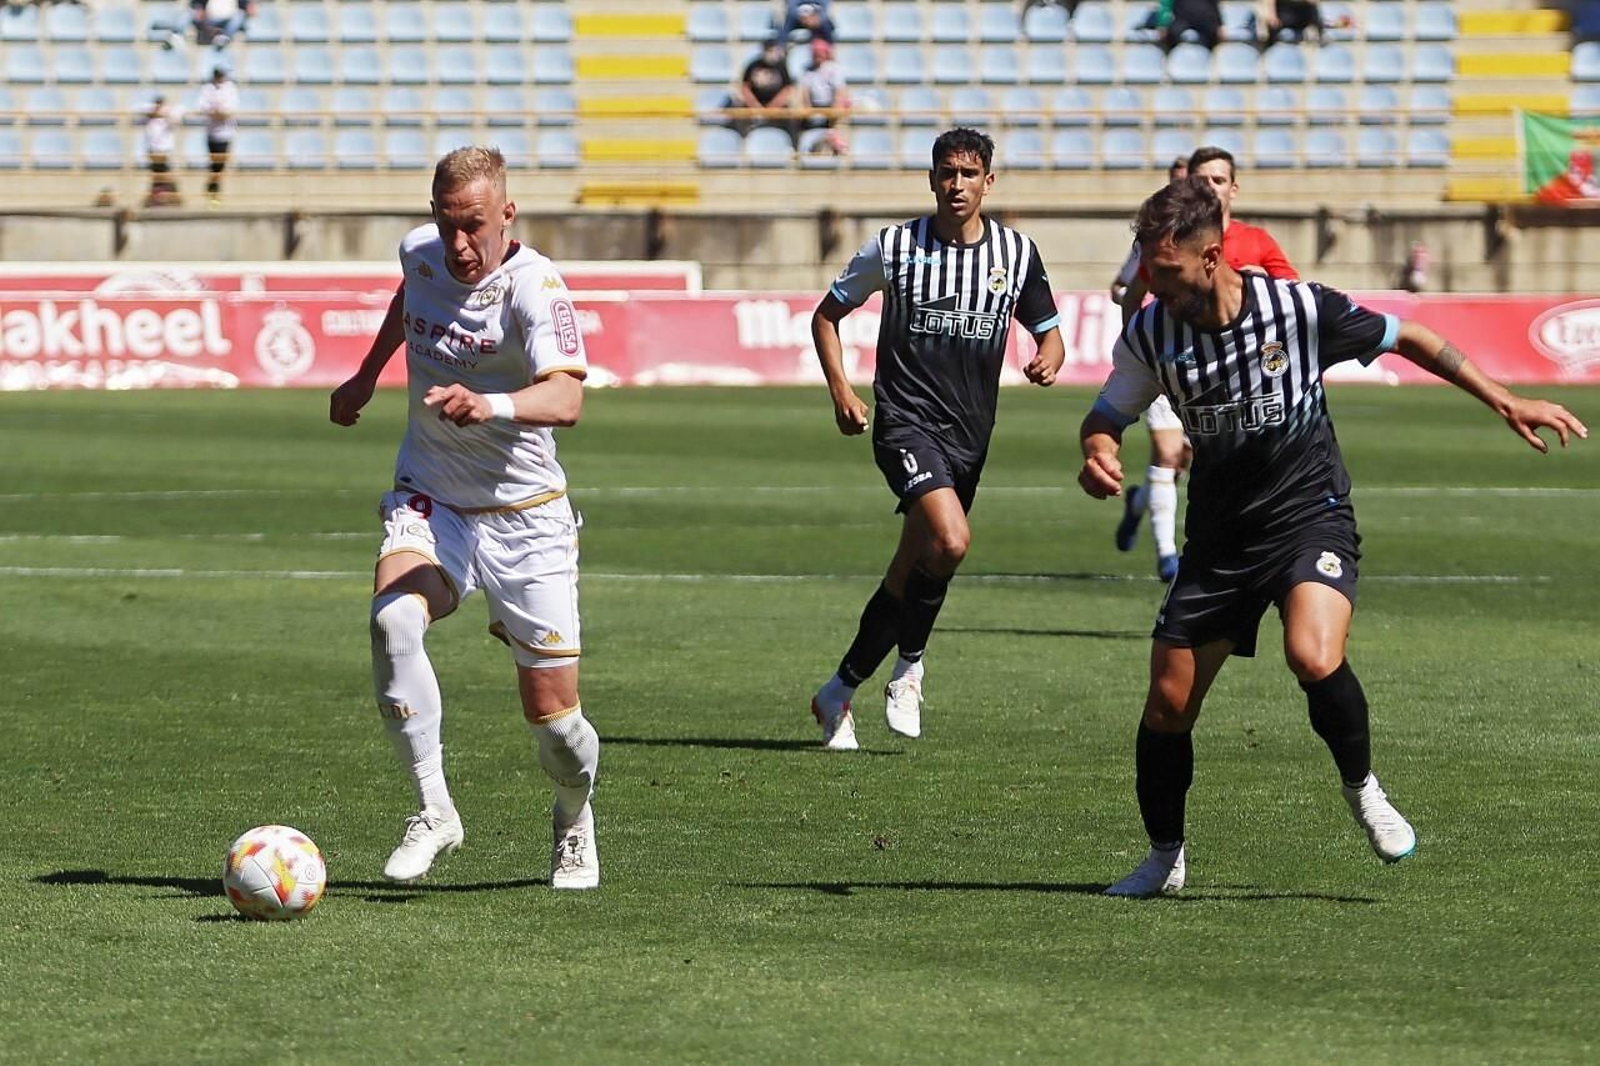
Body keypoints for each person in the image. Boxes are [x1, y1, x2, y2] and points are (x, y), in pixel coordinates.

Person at [1077, 179, 1587, 897]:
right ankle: (1165, 858)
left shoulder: (1296, 309)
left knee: (1312, 654)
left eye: (1165, 272)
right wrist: (1098, 450)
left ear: (1213, 257)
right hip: (1221, 540)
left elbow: (1407, 336)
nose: (1150, 285)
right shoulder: (1150, 335)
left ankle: (1363, 788)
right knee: (1167, 706)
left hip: (1307, 513)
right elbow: (1106, 414)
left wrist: (1505, 398)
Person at [329, 146, 602, 890]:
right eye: (445, 224)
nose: (457, 244)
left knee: (556, 727)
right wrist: (365, 375)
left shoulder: (535, 288)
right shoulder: (422, 255)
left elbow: (568, 400)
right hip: (434, 495)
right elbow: (409, 299)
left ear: (506, 215)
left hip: (527, 516)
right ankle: (434, 809)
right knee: (392, 621)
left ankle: (574, 818)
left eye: (472, 226)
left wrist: (493, 404)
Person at [809, 127, 1066, 750]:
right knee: (950, 542)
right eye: (946, 173)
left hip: (970, 435)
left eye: (969, 174)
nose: (957, 185)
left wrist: (1048, 357)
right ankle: (910, 668)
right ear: (931, 179)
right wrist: (842, 390)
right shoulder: (895, 246)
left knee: (909, 570)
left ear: (988, 182)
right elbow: (827, 315)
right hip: (904, 421)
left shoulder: (1016, 253)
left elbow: (1049, 329)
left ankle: (838, 692)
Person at [1113, 145, 1297, 581]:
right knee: (1168, 451)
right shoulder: (1168, 239)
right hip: (1175, 362)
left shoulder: (1256, 241)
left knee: (1189, 458)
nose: (1209, 188)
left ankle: (1142, 502)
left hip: (1236, 375)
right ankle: (1166, 556)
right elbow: (1132, 292)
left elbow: (1294, 296)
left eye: (1218, 180)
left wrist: (1258, 281)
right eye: (1201, 180)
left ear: (1233, 189)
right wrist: (1141, 350)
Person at [729, 37, 796, 135]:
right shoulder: (753, 65)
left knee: (791, 117)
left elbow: (787, 89)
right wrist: (755, 106)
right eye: (769, 50)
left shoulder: (781, 66)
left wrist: (773, 107)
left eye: (774, 50)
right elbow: (745, 87)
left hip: (777, 107)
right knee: (739, 113)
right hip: (754, 105)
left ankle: (792, 145)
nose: (772, 53)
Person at [195, 63, 238, 207]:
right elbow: (201, 107)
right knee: (214, 164)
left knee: (219, 165)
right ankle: (213, 194)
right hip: (211, 132)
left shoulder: (230, 88)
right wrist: (216, 112)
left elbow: (230, 109)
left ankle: (213, 191)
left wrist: (217, 112)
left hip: (225, 133)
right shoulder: (207, 88)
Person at [798, 38, 850, 154]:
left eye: (820, 54)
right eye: (815, 54)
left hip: (831, 109)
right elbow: (805, 93)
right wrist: (809, 112)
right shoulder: (807, 69)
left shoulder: (834, 69)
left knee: (836, 137)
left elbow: (839, 92)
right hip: (815, 108)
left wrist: (833, 114)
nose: (818, 57)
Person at [142, 94, 181, 207]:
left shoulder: (168, 116)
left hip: (165, 151)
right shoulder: (150, 117)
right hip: (153, 151)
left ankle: (162, 199)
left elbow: (178, 113)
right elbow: (140, 108)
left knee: (162, 176)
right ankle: (158, 199)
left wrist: (165, 113)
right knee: (157, 177)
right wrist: (155, 112)